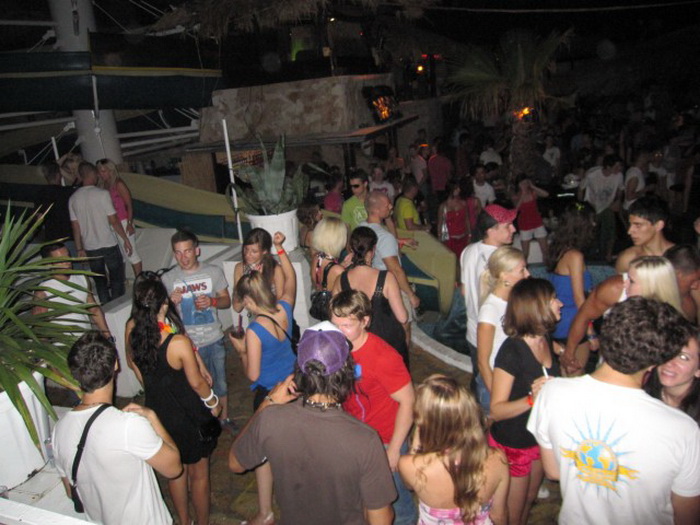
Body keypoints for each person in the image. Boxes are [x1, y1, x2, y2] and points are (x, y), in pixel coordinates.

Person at [528, 297, 700, 525]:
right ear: (655, 360)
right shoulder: (683, 429)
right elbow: (687, 516)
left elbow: (553, 471)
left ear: (605, 338)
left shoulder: (552, 392)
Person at [229, 323, 397, 525]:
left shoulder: (270, 419)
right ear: (346, 372)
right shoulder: (365, 439)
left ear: (299, 370)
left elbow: (235, 464)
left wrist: (267, 403)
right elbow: (381, 520)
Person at [53, 331, 181, 525]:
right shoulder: (128, 425)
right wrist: (153, 418)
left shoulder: (59, 430)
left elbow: (71, 491)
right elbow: (174, 469)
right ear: (115, 365)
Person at [126, 274, 221, 525]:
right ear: (164, 303)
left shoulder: (133, 334)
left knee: (176, 473)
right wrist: (214, 403)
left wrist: (153, 387)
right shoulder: (176, 342)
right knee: (199, 474)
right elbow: (197, 383)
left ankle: (184, 521)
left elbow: (133, 365)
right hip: (187, 414)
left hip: (159, 413)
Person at [330, 290, 417, 525]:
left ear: (365, 321)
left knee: (398, 503)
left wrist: (394, 449)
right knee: (367, 496)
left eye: (347, 326)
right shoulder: (340, 349)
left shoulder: (383, 356)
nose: (339, 332)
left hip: (385, 438)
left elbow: (409, 401)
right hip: (358, 436)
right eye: (335, 325)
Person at [229, 232, 296, 525]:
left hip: (270, 395)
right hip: (293, 387)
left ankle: (266, 511)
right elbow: (290, 280)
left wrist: (242, 351)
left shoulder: (254, 331)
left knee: (262, 454)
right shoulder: (284, 309)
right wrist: (281, 250)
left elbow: (252, 374)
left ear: (249, 299)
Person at [489, 278, 562, 525]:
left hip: (539, 436)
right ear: (536, 307)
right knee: (513, 513)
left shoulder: (545, 338)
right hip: (515, 442)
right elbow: (496, 411)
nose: (560, 303)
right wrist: (531, 399)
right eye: (553, 299)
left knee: (530, 497)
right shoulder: (511, 351)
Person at [399, 375, 509, 525]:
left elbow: (409, 486)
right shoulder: (497, 459)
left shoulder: (410, 465)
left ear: (425, 423)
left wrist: (416, 442)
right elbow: (499, 515)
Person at [561, 255, 683, 375]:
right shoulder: (614, 289)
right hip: (612, 368)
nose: (625, 283)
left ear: (651, 286)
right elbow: (583, 316)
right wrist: (569, 353)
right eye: (627, 276)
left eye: (631, 281)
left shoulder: (671, 315)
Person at [161, 229, 233, 426]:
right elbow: (161, 314)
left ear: (197, 251)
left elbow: (226, 301)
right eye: (178, 253)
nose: (183, 257)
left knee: (220, 382)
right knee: (195, 386)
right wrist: (169, 303)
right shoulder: (168, 279)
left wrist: (212, 301)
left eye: (187, 251)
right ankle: (205, 422)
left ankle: (224, 419)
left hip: (213, 338)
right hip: (185, 343)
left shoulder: (213, 272)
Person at [334, 226, 409, 366]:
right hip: (387, 342)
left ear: (351, 249)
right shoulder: (386, 278)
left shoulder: (341, 280)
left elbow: (335, 314)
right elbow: (402, 317)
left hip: (358, 343)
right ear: (373, 250)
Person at [461, 205, 517, 372]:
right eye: (507, 226)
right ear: (491, 230)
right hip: (497, 335)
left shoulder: (468, 250)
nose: (513, 229)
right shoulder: (502, 261)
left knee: (479, 378)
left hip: (474, 333)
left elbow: (464, 291)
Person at [360, 191, 420, 347]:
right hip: (391, 287)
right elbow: (395, 270)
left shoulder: (361, 227)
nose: (391, 207)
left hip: (371, 285)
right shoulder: (385, 237)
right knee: (404, 326)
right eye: (388, 205)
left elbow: (379, 243)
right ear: (377, 210)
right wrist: (411, 294)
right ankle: (402, 357)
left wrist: (399, 240)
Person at [475, 246, 530, 414]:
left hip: (512, 377)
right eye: (522, 270)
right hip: (494, 382)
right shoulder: (490, 310)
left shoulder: (514, 300)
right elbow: (483, 362)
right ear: (505, 275)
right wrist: (497, 396)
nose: (528, 274)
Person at [69, 161, 132, 304]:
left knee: (100, 282)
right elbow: (114, 220)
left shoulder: (73, 198)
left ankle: (106, 307)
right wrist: (125, 239)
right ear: (93, 175)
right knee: (117, 280)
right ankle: (117, 307)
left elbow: (75, 226)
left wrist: (79, 248)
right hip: (108, 243)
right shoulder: (102, 194)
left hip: (90, 247)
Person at [547, 203, 596, 367]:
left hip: (558, 321)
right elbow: (579, 299)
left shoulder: (558, 250)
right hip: (574, 322)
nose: (594, 224)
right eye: (591, 221)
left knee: (565, 372)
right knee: (575, 372)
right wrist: (590, 332)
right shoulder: (575, 256)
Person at [33, 242, 111, 338]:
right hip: (63, 344)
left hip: (85, 341)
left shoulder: (82, 279)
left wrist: (108, 336)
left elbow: (94, 310)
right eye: (61, 260)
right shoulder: (44, 291)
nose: (67, 262)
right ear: (49, 264)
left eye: (68, 256)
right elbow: (40, 328)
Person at [95, 158, 143, 276]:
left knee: (131, 254)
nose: (101, 174)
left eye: (104, 171)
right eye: (100, 171)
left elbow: (129, 204)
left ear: (110, 170)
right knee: (120, 255)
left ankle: (140, 280)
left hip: (123, 221)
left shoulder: (118, 184)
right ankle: (124, 279)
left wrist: (129, 223)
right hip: (112, 223)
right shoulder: (103, 185)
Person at [645, 332, 700, 425]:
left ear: (698, 371)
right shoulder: (643, 390)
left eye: (683, 357)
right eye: (668, 352)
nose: (670, 362)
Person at [578, 154, 624, 262]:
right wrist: (581, 207)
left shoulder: (619, 176)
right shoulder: (592, 174)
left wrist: (618, 200)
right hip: (592, 206)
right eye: (616, 167)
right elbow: (581, 189)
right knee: (590, 232)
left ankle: (608, 254)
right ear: (608, 167)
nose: (619, 169)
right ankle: (586, 255)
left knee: (610, 231)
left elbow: (620, 189)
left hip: (607, 206)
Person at [616, 195, 674, 273]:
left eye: (638, 225)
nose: (629, 231)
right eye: (630, 224)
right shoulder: (628, 258)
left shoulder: (678, 257)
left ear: (658, 225)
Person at [232, 228, 285, 313]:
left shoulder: (275, 269)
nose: (248, 254)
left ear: (264, 251)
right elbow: (236, 307)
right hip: (254, 315)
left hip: (272, 314)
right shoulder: (240, 268)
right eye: (246, 249)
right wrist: (248, 285)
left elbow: (281, 304)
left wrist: (259, 281)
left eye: (254, 251)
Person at [310, 217, 348, 315]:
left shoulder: (317, 257)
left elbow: (322, 278)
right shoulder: (338, 270)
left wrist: (341, 265)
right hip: (335, 313)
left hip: (322, 306)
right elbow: (347, 297)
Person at [513, 174, 549, 264]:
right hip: (524, 224)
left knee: (545, 251)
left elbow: (546, 194)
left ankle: (547, 267)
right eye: (522, 183)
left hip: (537, 222)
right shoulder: (516, 195)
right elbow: (516, 209)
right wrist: (523, 194)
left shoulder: (533, 192)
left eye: (526, 183)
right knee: (525, 253)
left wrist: (533, 186)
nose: (525, 185)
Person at [437, 180, 475, 257]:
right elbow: (440, 224)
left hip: (463, 237)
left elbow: (467, 220)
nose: (459, 190)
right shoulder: (443, 206)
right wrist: (440, 239)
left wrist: (470, 235)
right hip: (450, 240)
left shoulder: (463, 203)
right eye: (456, 188)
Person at [665, 243, 700, 324]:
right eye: (693, 281)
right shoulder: (655, 305)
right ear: (677, 274)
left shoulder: (689, 295)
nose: (695, 286)